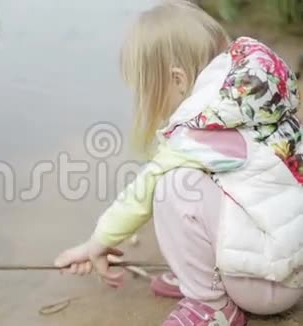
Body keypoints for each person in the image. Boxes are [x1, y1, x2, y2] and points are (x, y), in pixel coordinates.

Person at [54, 1, 303, 325]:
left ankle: (212, 303)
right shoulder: (248, 102)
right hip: (285, 263)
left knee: (172, 186)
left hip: (267, 285)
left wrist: (96, 243)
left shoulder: (202, 129)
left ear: (178, 80)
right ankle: (203, 276)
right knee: (207, 184)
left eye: (147, 88)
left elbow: (141, 193)